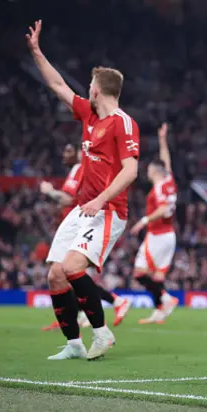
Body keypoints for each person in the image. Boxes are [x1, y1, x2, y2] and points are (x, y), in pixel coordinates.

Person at [27, 20, 139, 360]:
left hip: (108, 210)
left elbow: (131, 170)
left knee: (74, 266)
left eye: (90, 84)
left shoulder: (122, 122)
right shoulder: (89, 116)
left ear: (98, 89)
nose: (85, 88)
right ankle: (74, 344)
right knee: (55, 274)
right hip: (82, 208)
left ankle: (102, 334)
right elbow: (57, 84)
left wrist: (100, 199)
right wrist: (36, 52)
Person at [40, 144, 131, 332]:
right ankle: (83, 313)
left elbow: (67, 199)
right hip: (77, 223)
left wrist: (48, 191)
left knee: (67, 272)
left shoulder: (80, 168)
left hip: (81, 225)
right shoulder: (87, 169)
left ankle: (109, 304)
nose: (64, 155)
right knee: (67, 274)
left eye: (69, 151)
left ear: (80, 153)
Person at [129, 123, 179, 324]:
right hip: (169, 235)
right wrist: (162, 140)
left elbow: (162, 208)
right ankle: (159, 310)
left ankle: (166, 299)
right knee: (157, 277)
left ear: (155, 172)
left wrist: (143, 221)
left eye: (149, 169)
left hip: (157, 234)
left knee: (139, 274)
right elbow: (166, 161)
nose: (147, 171)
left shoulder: (159, 188)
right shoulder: (169, 181)